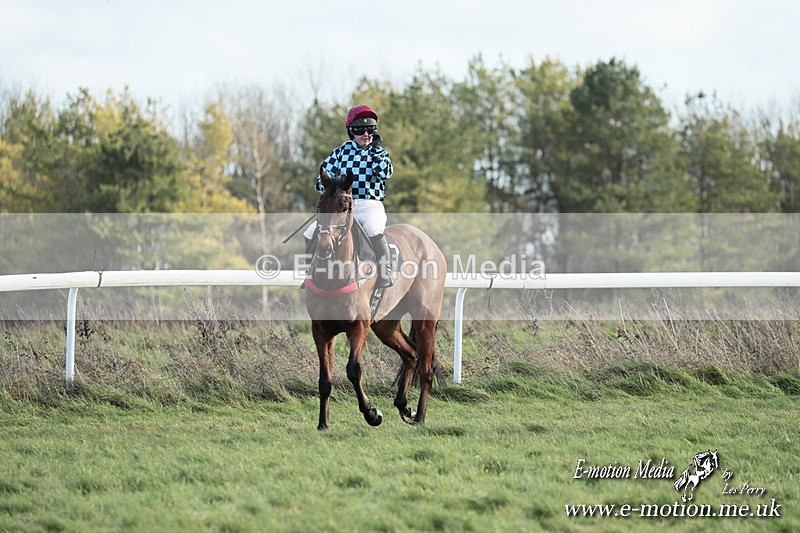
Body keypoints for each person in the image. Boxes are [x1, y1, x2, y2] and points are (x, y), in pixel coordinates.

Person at [303, 104, 395, 288]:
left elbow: (385, 173)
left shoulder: (380, 153)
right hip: (341, 205)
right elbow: (321, 180)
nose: (366, 134)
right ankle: (310, 273)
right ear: (351, 131)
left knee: (373, 229)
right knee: (311, 231)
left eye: (370, 129)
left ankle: (385, 273)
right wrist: (330, 186)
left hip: (369, 204)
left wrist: (376, 150)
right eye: (360, 130)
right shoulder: (340, 152)